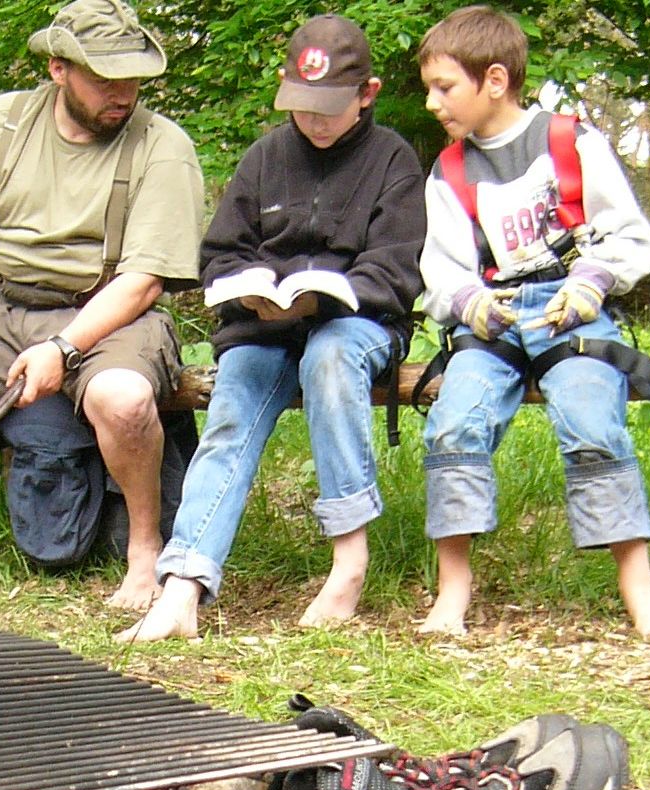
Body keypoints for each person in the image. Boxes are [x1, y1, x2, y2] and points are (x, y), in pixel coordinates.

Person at [0, 0, 205, 613]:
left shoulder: (162, 147)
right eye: (104, 77)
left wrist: (63, 348)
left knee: (122, 399)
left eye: (132, 77)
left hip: (114, 312)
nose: (122, 92)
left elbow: (144, 281)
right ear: (57, 69)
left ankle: (145, 551)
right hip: (7, 308)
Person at [119, 14, 424, 643]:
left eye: (329, 109)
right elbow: (221, 254)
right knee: (233, 402)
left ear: (367, 93)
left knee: (330, 361)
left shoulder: (393, 159)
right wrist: (252, 296)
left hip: (357, 324)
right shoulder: (264, 157)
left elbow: (396, 269)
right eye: (302, 106)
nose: (313, 121)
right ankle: (182, 587)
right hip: (263, 328)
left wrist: (322, 303)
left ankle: (349, 561)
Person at [415, 6, 650, 637]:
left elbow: (627, 235)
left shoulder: (570, 142)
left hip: (573, 317)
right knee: (455, 424)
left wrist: (593, 282)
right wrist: (469, 303)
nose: (431, 103)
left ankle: (637, 584)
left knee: (592, 417)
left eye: (444, 87)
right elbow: (442, 269)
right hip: (494, 325)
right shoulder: (449, 172)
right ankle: (453, 589)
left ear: (496, 80)